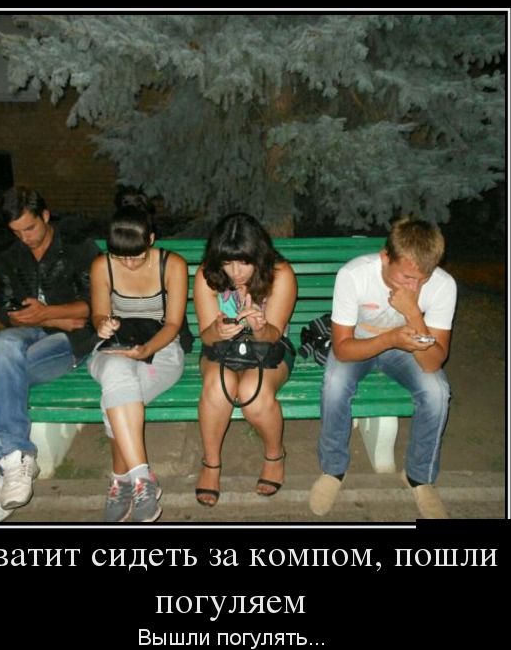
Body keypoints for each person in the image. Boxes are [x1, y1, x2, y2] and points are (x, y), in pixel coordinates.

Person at [309, 216, 457, 520]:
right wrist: (389, 338)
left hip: (407, 349)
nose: (414, 286)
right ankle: (333, 470)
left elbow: (432, 361)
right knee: (335, 384)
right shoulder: (354, 275)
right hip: (360, 343)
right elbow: (343, 349)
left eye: (422, 279)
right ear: (385, 257)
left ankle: (419, 477)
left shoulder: (443, 285)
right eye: (407, 277)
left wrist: (413, 313)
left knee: (437, 392)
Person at [0, 187, 100, 522]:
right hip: (39, 330)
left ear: (45, 215)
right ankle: (16, 459)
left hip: (71, 341)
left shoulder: (77, 246)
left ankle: (6, 473)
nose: (25, 238)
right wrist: (55, 317)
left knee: (2, 375)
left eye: (30, 228)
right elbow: (5, 310)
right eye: (16, 232)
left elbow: (95, 306)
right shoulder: (8, 255)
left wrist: (48, 314)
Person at [88, 203, 188, 522]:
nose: (129, 263)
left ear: (151, 240)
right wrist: (103, 324)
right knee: (118, 374)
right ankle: (143, 479)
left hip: (162, 348)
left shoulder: (172, 265)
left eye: (137, 255)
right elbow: (98, 314)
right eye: (121, 257)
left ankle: (121, 481)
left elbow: (173, 325)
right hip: (114, 348)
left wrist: (146, 350)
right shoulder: (102, 266)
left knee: (114, 400)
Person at [194, 213, 297, 507]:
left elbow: (274, 334)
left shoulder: (280, 274)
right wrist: (218, 330)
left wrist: (259, 327)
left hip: (269, 348)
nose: (236, 272)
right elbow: (206, 336)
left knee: (254, 393)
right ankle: (211, 463)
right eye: (227, 263)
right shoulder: (207, 275)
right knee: (218, 386)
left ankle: (275, 455)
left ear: (258, 255)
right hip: (222, 348)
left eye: (243, 262)